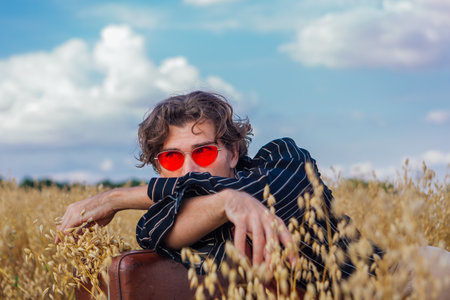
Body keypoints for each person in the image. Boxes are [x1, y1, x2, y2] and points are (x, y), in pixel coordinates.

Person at [57, 91, 448, 296]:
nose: (189, 168)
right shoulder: (167, 218)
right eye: (171, 159)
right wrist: (227, 203)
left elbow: (260, 191)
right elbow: (155, 233)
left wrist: (113, 198)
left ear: (234, 150)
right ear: (158, 167)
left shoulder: (283, 160)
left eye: (205, 151)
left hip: (400, 280)